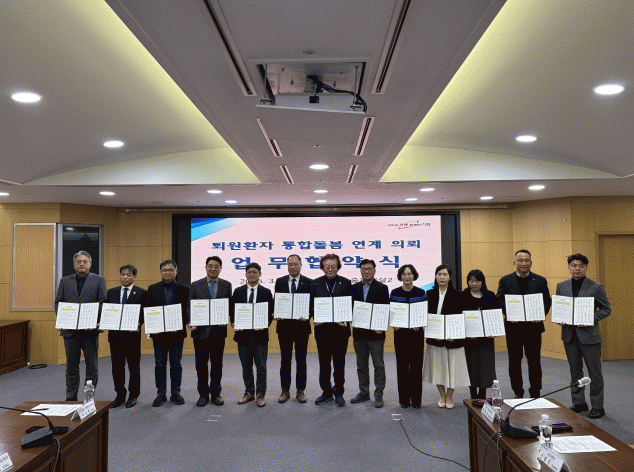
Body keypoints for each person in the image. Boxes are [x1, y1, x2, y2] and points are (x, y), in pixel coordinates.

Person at [556, 254, 611, 419]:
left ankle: (597, 406)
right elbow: (560, 307)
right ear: (569, 267)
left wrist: (589, 319)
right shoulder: (562, 286)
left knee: (594, 372)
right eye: (573, 265)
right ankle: (579, 402)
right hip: (569, 336)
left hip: (590, 336)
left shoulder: (596, 287)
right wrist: (559, 318)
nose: (577, 269)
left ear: (586, 268)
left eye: (581, 266)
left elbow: (606, 309)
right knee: (575, 372)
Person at [497, 249, 551, 399]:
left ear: (531, 263)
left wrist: (541, 314)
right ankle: (518, 391)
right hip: (513, 328)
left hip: (533, 328)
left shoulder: (540, 280)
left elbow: (547, 301)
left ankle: (535, 391)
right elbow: (499, 300)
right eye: (520, 260)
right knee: (514, 361)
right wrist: (508, 313)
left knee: (534, 361)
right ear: (514, 263)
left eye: (526, 260)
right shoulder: (506, 280)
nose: (523, 263)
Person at [55, 251, 107, 401]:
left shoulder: (99, 280)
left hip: (89, 330)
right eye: (79, 261)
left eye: (85, 261)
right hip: (70, 331)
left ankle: (88, 397)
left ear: (90, 264)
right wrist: (62, 320)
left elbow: (102, 302)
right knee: (71, 366)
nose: (82, 264)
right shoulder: (65, 280)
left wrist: (94, 321)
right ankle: (71, 397)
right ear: (74, 264)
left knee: (91, 366)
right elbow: (58, 302)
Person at [423, 264, 470, 409]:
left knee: (453, 369)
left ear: (450, 277)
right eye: (439, 274)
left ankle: (449, 396)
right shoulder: (429, 294)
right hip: (435, 339)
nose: (442, 277)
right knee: (437, 369)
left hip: (453, 339)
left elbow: (461, 317)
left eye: (445, 274)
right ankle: (442, 395)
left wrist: (454, 334)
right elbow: (426, 316)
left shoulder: (458, 295)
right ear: (435, 276)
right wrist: (433, 333)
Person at [188, 256, 232, 407]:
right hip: (200, 331)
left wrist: (228, 317)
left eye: (216, 266)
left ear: (221, 268)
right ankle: (203, 395)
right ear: (205, 267)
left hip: (218, 331)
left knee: (217, 364)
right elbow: (189, 306)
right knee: (201, 365)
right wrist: (190, 320)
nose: (213, 269)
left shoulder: (226, 285)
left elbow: (229, 305)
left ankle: (216, 394)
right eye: (210, 266)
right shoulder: (195, 285)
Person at [310, 253, 353, 407]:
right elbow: (310, 305)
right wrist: (315, 316)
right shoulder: (315, 284)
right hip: (322, 331)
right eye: (327, 266)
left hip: (340, 331)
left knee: (339, 364)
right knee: (324, 363)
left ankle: (339, 392)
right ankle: (326, 392)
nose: (330, 269)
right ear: (322, 267)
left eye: (333, 266)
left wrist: (347, 318)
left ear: (338, 267)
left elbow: (351, 305)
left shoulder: (346, 283)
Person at [230, 262, 274, 407]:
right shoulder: (238, 291)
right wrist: (234, 323)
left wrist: (265, 324)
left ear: (260, 274)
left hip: (260, 335)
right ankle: (249, 392)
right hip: (243, 335)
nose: (252, 274)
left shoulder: (266, 292)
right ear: (245, 274)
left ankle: (260, 394)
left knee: (261, 366)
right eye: (249, 272)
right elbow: (232, 311)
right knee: (246, 366)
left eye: (255, 272)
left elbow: (270, 313)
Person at [146, 260, 189, 407]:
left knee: (176, 364)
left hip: (177, 334)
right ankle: (161, 394)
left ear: (176, 272)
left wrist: (181, 323)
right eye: (164, 270)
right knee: (160, 364)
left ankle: (176, 393)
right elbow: (149, 309)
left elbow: (187, 309)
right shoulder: (153, 288)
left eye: (171, 270)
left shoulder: (184, 289)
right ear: (160, 272)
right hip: (159, 335)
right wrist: (152, 326)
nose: (168, 272)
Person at [350, 259, 390, 408]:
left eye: (369, 268)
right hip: (359, 334)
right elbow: (350, 308)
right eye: (363, 269)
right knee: (361, 365)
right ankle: (364, 392)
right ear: (360, 271)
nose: (366, 271)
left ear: (374, 270)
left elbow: (385, 309)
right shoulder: (354, 288)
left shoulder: (382, 288)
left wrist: (382, 326)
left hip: (376, 334)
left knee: (378, 365)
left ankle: (379, 393)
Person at [274, 254, 313, 404]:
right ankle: (285, 390)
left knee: (301, 359)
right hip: (284, 327)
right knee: (285, 359)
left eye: (296, 264)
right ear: (287, 266)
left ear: (301, 265)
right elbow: (277, 301)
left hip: (302, 327)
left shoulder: (309, 282)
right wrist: (276, 313)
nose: (293, 267)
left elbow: (312, 304)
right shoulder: (280, 281)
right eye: (290, 264)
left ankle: (300, 390)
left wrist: (308, 315)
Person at [106, 264, 146, 408]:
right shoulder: (111, 292)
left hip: (132, 337)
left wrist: (139, 322)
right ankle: (120, 394)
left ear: (134, 277)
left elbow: (145, 313)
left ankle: (133, 395)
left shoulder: (142, 293)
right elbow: (106, 311)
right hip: (115, 337)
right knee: (117, 367)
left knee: (133, 367)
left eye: (128, 275)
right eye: (123, 274)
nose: (125, 277)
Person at [390, 264, 427, 409]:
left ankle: (416, 400)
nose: (407, 277)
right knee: (402, 367)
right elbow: (391, 313)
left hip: (416, 335)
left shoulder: (421, 293)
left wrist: (420, 323)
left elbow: (424, 313)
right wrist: (393, 323)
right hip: (400, 335)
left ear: (414, 275)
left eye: (409, 274)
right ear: (400, 276)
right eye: (404, 274)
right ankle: (404, 400)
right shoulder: (394, 293)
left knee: (416, 367)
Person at [461, 269, 499, 399]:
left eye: (477, 281)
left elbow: (496, 315)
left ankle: (482, 393)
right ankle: (473, 394)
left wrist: (494, 331)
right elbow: (458, 316)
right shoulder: (463, 295)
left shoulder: (490, 295)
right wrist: (466, 333)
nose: (474, 284)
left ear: (482, 282)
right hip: (469, 340)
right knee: (471, 366)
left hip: (486, 340)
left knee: (485, 366)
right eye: (471, 281)